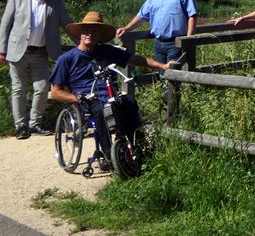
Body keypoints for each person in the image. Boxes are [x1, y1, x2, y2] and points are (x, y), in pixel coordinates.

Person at [50, 11, 175, 169]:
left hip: (111, 95)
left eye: (95, 30)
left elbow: (135, 59)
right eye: (87, 30)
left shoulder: (106, 51)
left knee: (129, 103)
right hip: (86, 99)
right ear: (80, 33)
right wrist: (76, 98)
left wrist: (163, 66)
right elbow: (55, 92)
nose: (90, 34)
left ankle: (136, 147)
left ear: (100, 34)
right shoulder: (67, 59)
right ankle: (111, 157)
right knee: (101, 111)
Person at [0, 0, 73, 140]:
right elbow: (5, 25)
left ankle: (34, 124)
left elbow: (67, 24)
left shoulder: (56, 0)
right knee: (18, 89)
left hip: (41, 52)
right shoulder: (16, 0)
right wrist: (1, 50)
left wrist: (83, 44)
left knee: (41, 89)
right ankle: (20, 126)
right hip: (18, 52)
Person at [116, 0, 197, 65]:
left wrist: (188, 39)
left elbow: (192, 16)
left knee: (173, 75)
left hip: (176, 42)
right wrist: (126, 29)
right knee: (162, 73)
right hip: (158, 43)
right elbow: (142, 16)